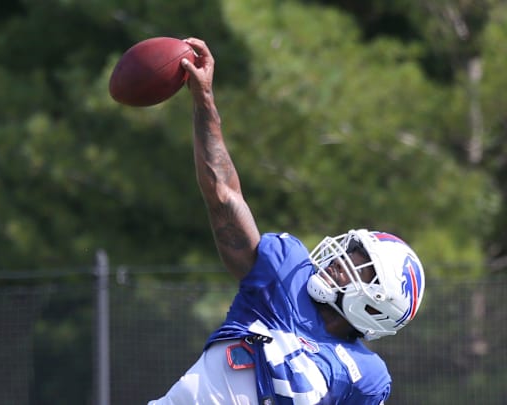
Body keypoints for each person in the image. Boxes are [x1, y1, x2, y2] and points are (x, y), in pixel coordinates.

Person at [148, 38, 426, 405]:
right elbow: (223, 196)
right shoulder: (286, 276)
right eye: (349, 253)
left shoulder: (366, 377)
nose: (338, 263)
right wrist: (204, 102)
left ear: (376, 303)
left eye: (358, 265)